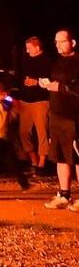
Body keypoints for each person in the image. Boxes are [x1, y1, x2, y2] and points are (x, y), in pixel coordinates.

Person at [42, 29, 79, 209]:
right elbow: (56, 85)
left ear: (72, 43)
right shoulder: (57, 63)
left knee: (77, 157)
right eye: (56, 42)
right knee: (61, 157)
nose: (57, 45)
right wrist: (47, 84)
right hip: (57, 116)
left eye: (62, 41)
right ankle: (64, 195)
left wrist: (62, 87)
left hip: (74, 117)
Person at [17, 35, 52, 178]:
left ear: (37, 47)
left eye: (29, 48)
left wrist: (36, 82)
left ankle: (42, 162)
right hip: (25, 101)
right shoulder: (25, 60)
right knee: (23, 132)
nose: (27, 51)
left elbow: (51, 80)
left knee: (42, 131)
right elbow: (20, 76)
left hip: (41, 101)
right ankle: (33, 159)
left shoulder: (47, 61)